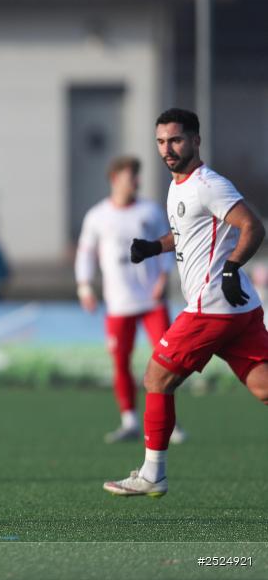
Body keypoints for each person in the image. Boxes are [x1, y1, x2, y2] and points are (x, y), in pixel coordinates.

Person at [104, 108, 268, 498]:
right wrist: (154, 246)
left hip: (213, 304)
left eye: (176, 140)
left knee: (157, 378)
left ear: (196, 140)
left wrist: (230, 268)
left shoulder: (208, 184)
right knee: (263, 386)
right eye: (161, 142)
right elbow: (189, 232)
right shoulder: (179, 185)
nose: (168, 149)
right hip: (237, 309)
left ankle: (152, 475)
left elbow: (253, 226)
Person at [75, 156, 186, 443]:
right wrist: (84, 287)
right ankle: (129, 421)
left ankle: (168, 424)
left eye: (137, 176)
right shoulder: (97, 216)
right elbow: (86, 253)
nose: (136, 182)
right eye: (130, 177)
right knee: (120, 362)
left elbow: (168, 244)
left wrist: (163, 278)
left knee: (166, 362)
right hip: (118, 303)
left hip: (151, 301)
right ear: (115, 179)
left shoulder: (149, 210)